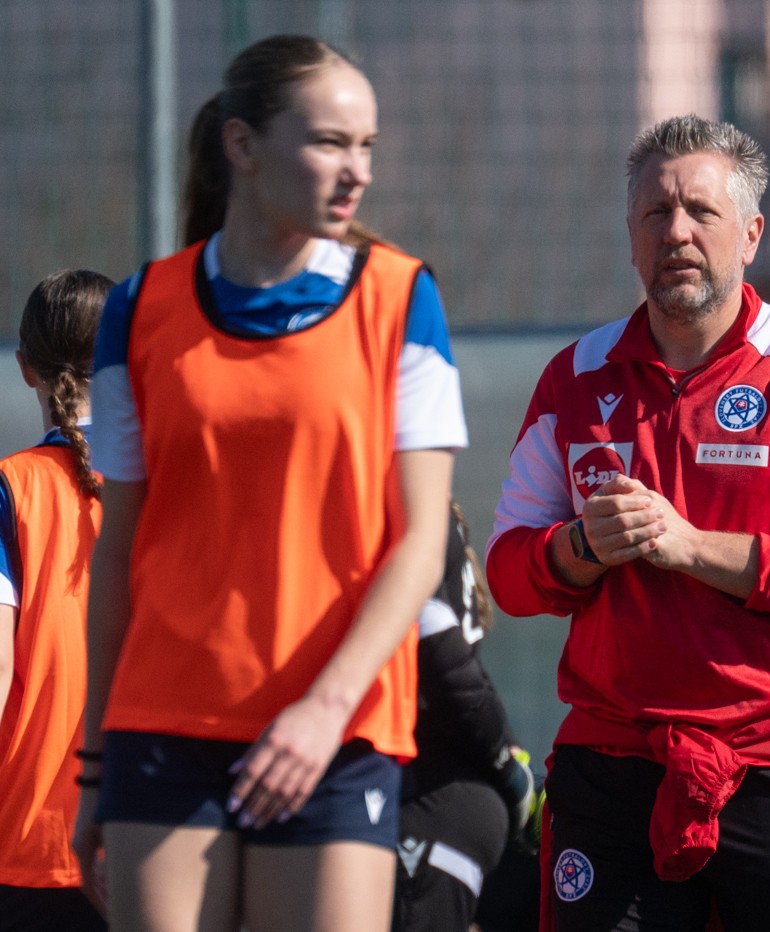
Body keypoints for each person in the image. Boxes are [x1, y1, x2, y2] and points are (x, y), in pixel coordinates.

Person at [71, 34, 465, 931]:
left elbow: (420, 540)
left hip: (336, 732)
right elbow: (119, 552)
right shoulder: (139, 310)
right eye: (329, 141)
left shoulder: (402, 298)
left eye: (367, 146)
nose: (355, 169)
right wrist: (94, 765)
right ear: (242, 146)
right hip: (163, 726)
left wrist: (325, 711)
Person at [486, 114, 770, 932]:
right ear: (632, 239)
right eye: (655, 214)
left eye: (700, 213)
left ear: (750, 235)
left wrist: (690, 547)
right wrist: (579, 549)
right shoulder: (574, 378)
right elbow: (505, 569)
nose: (676, 231)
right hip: (613, 761)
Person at [0, 269, 113, 932]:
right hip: (149, 831)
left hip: (30, 842)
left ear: (25, 369)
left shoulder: (13, 489)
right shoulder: (168, 485)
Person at [392, 500, 536, 932]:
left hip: (429, 803)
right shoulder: (431, 518)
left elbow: (450, 668)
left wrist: (509, 773)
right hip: (450, 802)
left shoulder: (415, 515)